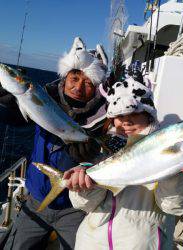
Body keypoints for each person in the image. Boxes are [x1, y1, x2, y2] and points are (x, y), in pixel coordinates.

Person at [64, 76, 183, 250]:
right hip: (90, 244)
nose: (125, 121)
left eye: (134, 113)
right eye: (119, 115)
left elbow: (174, 208)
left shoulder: (168, 148)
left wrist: (176, 174)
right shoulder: (103, 149)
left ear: (148, 115)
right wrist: (82, 187)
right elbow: (86, 205)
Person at [2, 37, 108, 250]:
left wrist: (91, 157)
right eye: (75, 78)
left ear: (96, 88)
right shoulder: (45, 95)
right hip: (35, 200)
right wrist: (5, 103)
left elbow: (106, 159)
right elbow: (15, 118)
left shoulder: (103, 118)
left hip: (76, 207)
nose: (78, 87)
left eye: (88, 83)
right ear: (66, 76)